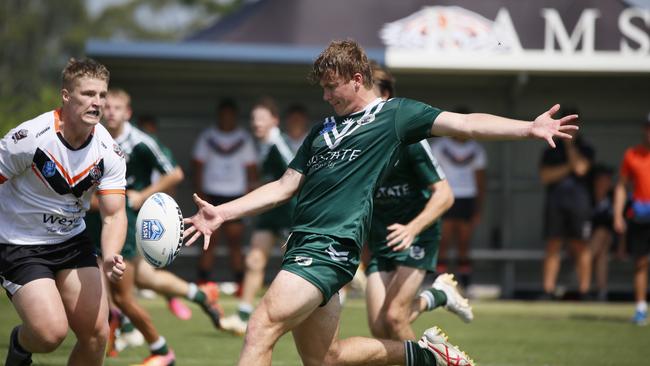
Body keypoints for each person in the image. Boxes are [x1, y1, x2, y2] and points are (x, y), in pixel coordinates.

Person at [183, 40, 578, 366]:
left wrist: (528, 128)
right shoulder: (322, 131)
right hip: (302, 245)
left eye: (331, 87)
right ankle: (424, 356)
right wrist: (223, 212)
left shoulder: (394, 115)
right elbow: (285, 185)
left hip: (331, 246)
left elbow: (466, 123)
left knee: (260, 327)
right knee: (327, 359)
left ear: (357, 80)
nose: (324, 95)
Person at [1, 58, 127, 366]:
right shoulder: (29, 139)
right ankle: (20, 345)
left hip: (71, 241)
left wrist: (110, 254)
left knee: (97, 334)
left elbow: (113, 215)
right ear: (66, 96)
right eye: (87, 94)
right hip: (21, 244)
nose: (97, 103)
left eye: (102, 95)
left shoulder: (109, 152)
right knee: (49, 334)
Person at [95, 89, 221, 365]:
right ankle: (200, 294)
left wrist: (144, 194)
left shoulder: (140, 141)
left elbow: (175, 173)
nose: (111, 112)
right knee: (144, 279)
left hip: (123, 221)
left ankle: (158, 348)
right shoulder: (96, 137)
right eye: (108, 107)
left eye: (118, 107)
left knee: (121, 294)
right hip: (97, 218)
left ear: (128, 113)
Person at [365, 63, 471, 342]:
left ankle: (438, 357)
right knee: (379, 329)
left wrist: (412, 229)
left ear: (386, 95)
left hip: (417, 237)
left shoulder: (409, 138)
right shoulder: (358, 139)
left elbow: (445, 195)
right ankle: (437, 295)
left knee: (395, 318)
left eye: (367, 90)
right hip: (382, 239)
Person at [220, 97, 303, 335]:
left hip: (289, 213)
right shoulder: (264, 144)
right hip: (270, 214)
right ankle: (243, 315)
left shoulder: (279, 144)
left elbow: (297, 176)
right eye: (254, 119)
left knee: (299, 267)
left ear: (274, 121)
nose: (256, 123)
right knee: (254, 260)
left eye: (261, 119)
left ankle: (317, 306)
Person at [192, 98, 258, 285]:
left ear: (235, 117)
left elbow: (251, 169)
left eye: (231, 116)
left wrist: (248, 198)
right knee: (208, 240)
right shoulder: (207, 136)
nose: (227, 119)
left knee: (235, 242)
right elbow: (197, 165)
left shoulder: (244, 138)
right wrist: (200, 194)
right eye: (224, 115)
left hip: (236, 195)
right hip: (211, 194)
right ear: (219, 116)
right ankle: (203, 282)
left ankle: (240, 284)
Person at [429, 107, 486, 289]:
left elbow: (481, 181)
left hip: (467, 198)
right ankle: (440, 281)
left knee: (464, 242)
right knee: (443, 241)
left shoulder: (477, 149)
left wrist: (478, 208)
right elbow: (430, 176)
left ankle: (465, 284)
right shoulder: (439, 147)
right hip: (445, 196)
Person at [539, 114, 594, 300]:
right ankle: (548, 290)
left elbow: (581, 169)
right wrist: (569, 166)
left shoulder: (585, 148)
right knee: (553, 245)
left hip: (580, 204)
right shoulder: (551, 146)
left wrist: (571, 148)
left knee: (581, 246)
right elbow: (546, 176)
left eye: (573, 125)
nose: (569, 128)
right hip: (556, 203)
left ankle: (585, 291)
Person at [613, 115, 650, 325]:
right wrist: (618, 215)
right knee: (641, 263)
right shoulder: (632, 154)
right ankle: (641, 308)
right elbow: (621, 186)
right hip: (641, 214)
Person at [589, 163, 615, 302]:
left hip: (610, 240)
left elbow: (622, 226)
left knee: (603, 234)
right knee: (602, 254)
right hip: (586, 241)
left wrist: (622, 247)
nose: (608, 183)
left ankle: (586, 288)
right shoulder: (587, 198)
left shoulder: (614, 197)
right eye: (604, 179)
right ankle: (601, 291)